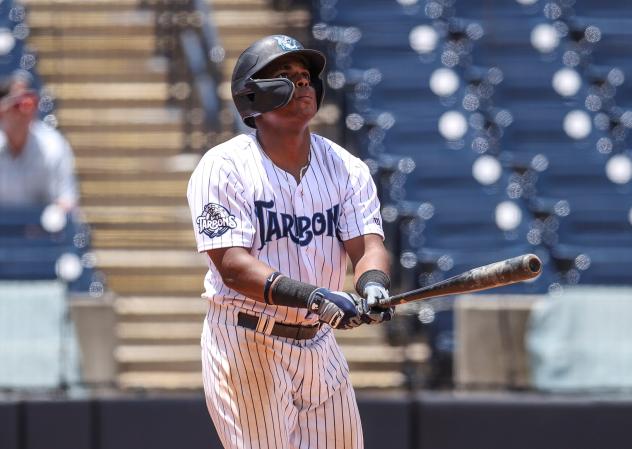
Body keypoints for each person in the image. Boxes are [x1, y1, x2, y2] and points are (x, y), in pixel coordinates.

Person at [186, 35, 394, 449]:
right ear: (252, 95)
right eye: (284, 76)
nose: (302, 84)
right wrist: (315, 295)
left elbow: (368, 246)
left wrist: (373, 283)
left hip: (318, 342)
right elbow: (233, 266)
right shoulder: (223, 167)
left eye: (305, 76)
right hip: (247, 339)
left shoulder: (345, 167)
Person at [0, 73, 78, 211]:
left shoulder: (53, 146)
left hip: (40, 231)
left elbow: (66, 201)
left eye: (31, 103)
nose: (26, 112)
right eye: (18, 105)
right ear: (2, 111)